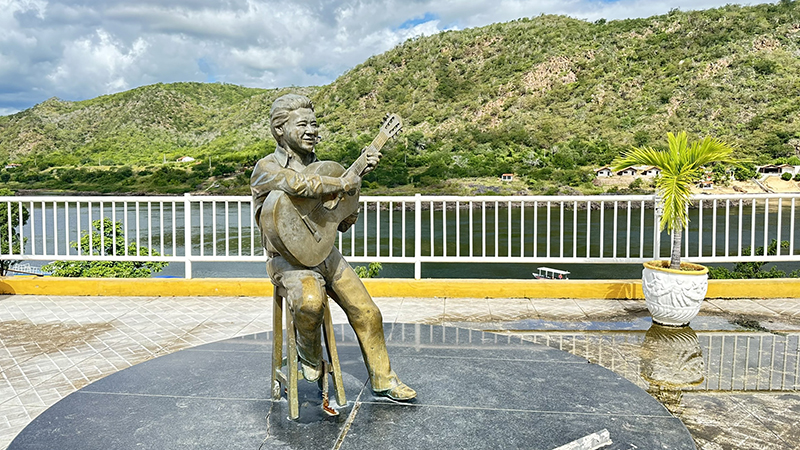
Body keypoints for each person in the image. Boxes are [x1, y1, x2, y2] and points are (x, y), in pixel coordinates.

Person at [250, 94, 416, 401]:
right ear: (279, 130)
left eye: (314, 123)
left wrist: (348, 203)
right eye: (303, 124)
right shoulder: (266, 168)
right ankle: (308, 357)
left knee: (367, 311)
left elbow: (337, 223)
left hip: (324, 254)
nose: (312, 130)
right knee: (311, 301)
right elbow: (298, 185)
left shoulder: (323, 167)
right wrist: (343, 183)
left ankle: (384, 379)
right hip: (285, 261)